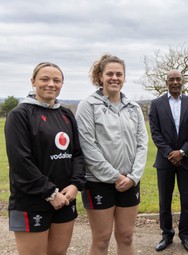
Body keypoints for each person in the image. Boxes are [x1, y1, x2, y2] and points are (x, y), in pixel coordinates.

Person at [5, 62, 86, 255]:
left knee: (58, 252)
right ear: (33, 81)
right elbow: (21, 161)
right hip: (32, 201)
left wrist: (75, 185)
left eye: (56, 80)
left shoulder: (66, 114)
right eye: (44, 79)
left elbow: (77, 154)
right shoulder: (19, 115)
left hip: (65, 199)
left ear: (62, 84)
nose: (51, 84)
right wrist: (50, 193)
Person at [75, 54, 148, 255]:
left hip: (130, 181)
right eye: (110, 74)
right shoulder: (87, 106)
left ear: (124, 78)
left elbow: (143, 144)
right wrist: (115, 176)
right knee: (102, 239)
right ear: (100, 76)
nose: (114, 78)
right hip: (98, 181)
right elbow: (88, 147)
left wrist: (134, 177)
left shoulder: (134, 108)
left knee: (126, 236)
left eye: (119, 74)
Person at [148, 69, 188, 253]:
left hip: (187, 160)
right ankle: (167, 234)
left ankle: (185, 235)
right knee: (165, 200)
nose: (175, 82)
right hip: (165, 161)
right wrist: (170, 153)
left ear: (183, 81)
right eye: (172, 79)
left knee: (187, 201)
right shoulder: (156, 104)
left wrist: (182, 152)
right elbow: (155, 132)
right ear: (166, 82)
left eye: (178, 79)